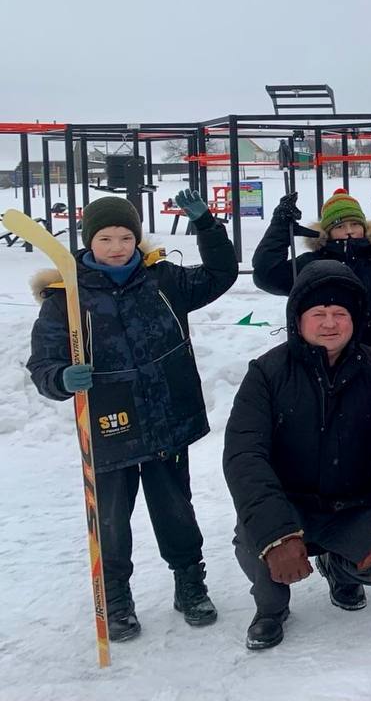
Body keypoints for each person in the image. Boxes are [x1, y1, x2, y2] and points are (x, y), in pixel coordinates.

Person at [27, 193, 235, 641]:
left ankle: (189, 584)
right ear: (89, 242)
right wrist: (62, 377)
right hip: (109, 425)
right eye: (106, 238)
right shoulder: (67, 296)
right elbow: (42, 365)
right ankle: (116, 597)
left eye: (126, 236)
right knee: (112, 519)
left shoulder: (162, 280)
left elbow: (221, 274)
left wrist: (207, 226)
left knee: (175, 510)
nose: (118, 246)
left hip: (167, 419)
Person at [223, 261, 371, 651]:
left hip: (354, 505)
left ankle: (340, 570)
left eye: (340, 313)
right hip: (289, 506)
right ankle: (270, 607)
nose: (330, 323)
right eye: (318, 313)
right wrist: (276, 531)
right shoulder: (267, 372)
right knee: (258, 541)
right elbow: (244, 456)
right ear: (298, 318)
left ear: (355, 319)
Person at [252, 187, 371, 363]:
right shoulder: (310, 265)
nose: (349, 230)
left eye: (355, 224)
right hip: (323, 365)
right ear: (327, 232)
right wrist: (280, 227)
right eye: (340, 226)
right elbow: (267, 274)